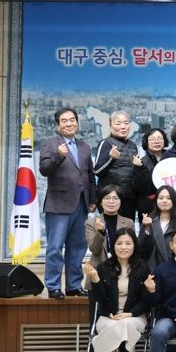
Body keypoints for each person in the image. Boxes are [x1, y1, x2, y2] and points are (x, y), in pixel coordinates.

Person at [84, 228, 150, 352]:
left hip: (134, 316)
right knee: (114, 326)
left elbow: (146, 301)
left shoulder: (143, 268)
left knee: (126, 324)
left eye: (128, 243)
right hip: (109, 316)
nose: (123, 247)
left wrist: (131, 313)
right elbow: (100, 299)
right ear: (113, 246)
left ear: (134, 245)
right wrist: (95, 278)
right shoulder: (104, 267)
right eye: (119, 243)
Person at [39, 107, 96, 299]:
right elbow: (44, 170)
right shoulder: (50, 144)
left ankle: (73, 285)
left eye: (72, 120)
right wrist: (58, 156)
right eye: (64, 121)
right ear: (58, 125)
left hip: (81, 204)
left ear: (77, 123)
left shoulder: (84, 146)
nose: (69, 123)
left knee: (78, 247)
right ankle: (53, 286)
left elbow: (90, 176)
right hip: (58, 205)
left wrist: (92, 200)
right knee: (55, 247)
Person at [85, 185, 135, 291]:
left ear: (120, 202)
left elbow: (132, 249)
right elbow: (94, 249)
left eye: (115, 198)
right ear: (101, 202)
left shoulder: (129, 223)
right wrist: (100, 232)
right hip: (98, 272)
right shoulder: (91, 223)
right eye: (107, 198)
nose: (111, 202)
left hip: (122, 271)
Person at [94, 110, 139, 220]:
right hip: (111, 199)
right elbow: (97, 171)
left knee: (128, 229)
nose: (123, 127)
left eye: (126, 123)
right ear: (110, 127)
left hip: (129, 198)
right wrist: (111, 159)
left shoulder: (133, 145)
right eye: (118, 123)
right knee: (110, 229)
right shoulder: (106, 143)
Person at [138, 185, 176, 271]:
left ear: (174, 200)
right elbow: (141, 249)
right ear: (156, 200)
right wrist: (147, 228)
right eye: (161, 198)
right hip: (153, 271)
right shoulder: (148, 220)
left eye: (168, 198)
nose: (164, 201)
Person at [133, 128, 168, 218]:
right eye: (152, 139)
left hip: (170, 205)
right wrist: (139, 168)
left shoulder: (171, 159)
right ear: (146, 142)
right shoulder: (141, 162)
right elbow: (138, 188)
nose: (156, 141)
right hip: (149, 209)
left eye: (160, 138)